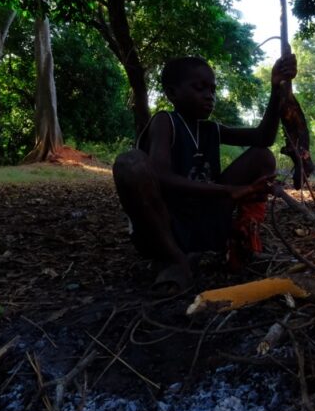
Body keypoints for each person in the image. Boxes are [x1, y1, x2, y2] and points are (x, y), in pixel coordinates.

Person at [113, 54, 297, 289]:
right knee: (130, 163)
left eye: (212, 89)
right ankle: (175, 259)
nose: (209, 96)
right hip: (168, 229)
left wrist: (276, 89)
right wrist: (229, 190)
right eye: (200, 88)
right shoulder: (165, 122)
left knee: (262, 156)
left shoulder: (211, 129)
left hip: (206, 225)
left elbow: (264, 137)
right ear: (172, 93)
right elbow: (161, 176)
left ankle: (241, 238)